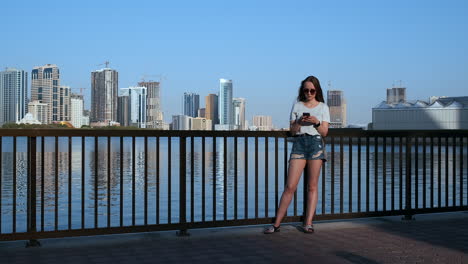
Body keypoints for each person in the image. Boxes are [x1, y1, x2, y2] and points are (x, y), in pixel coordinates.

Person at [264, 75, 330, 234]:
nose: (309, 93)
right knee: (290, 186)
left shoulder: (323, 107)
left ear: (317, 91)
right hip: (299, 144)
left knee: (312, 186)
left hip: (315, 144)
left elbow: (325, 132)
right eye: (306, 90)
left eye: (312, 90)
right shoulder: (297, 106)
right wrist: (299, 122)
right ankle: (276, 224)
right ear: (302, 90)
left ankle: (308, 223)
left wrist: (316, 122)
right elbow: (292, 132)